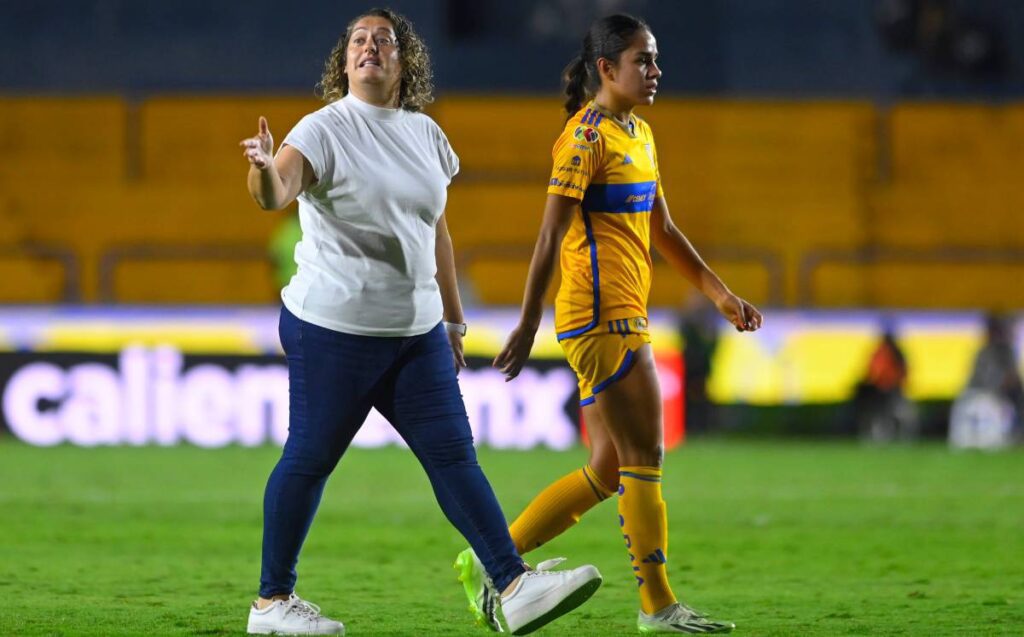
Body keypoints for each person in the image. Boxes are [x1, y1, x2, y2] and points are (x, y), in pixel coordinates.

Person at [239, 9, 601, 636]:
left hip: (415, 333)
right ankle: (272, 604)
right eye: (358, 40)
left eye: (384, 40)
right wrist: (263, 166)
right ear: (344, 60)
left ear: (405, 62)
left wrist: (454, 321)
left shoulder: (426, 135)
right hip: (334, 329)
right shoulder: (322, 129)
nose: (370, 47)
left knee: (454, 457)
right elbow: (276, 192)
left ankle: (512, 584)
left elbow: (434, 229)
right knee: (310, 457)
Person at [455, 14, 762, 635]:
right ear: (606, 69)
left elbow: (662, 229)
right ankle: (658, 605)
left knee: (605, 468)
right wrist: (527, 319)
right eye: (643, 60)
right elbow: (549, 233)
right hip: (601, 315)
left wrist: (719, 292)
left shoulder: (639, 133)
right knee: (644, 456)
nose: (655, 71)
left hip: (620, 312)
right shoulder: (584, 139)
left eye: (655, 59)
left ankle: (488, 562)